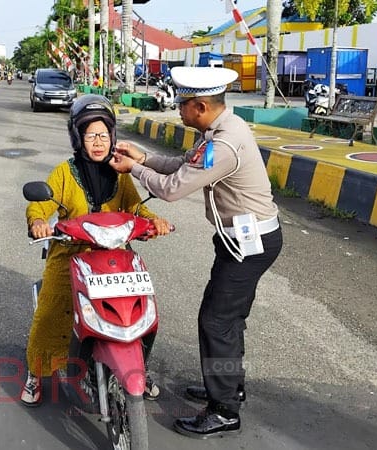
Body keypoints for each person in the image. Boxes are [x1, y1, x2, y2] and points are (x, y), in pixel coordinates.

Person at [110, 67, 283, 439]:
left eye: (182, 104)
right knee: (226, 319)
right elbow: (182, 166)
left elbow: (172, 189)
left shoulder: (223, 144)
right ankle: (227, 385)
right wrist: (145, 158)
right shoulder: (219, 131)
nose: (178, 110)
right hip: (240, 240)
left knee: (216, 321)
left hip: (248, 246)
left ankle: (223, 410)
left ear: (200, 106)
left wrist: (135, 170)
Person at [22, 94, 171, 406]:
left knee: (141, 310)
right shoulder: (64, 172)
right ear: (78, 138)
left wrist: (155, 221)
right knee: (52, 311)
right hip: (71, 254)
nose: (99, 142)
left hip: (116, 255)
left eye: (104, 134)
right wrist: (38, 222)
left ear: (113, 136)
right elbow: (41, 204)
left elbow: (135, 208)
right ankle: (36, 372)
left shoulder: (119, 171)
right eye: (91, 135)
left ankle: (135, 368)